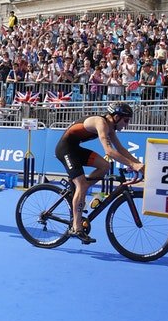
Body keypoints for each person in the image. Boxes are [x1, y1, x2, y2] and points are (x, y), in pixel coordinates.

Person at [54, 102, 145, 244]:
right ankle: (76, 227)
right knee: (82, 185)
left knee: (105, 166)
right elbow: (109, 151)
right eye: (126, 120)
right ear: (116, 117)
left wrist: (139, 165)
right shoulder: (101, 122)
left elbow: (121, 149)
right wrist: (133, 165)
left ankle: (80, 191)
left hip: (75, 149)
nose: (126, 124)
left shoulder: (110, 127)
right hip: (65, 150)